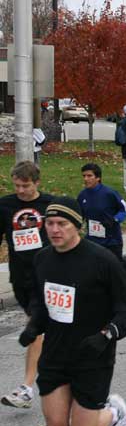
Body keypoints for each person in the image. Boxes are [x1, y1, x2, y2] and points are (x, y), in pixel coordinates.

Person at [17, 196, 126, 426]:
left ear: (77, 226)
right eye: (50, 223)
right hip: (56, 355)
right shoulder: (43, 259)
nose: (55, 229)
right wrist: (34, 326)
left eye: (62, 224)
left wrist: (108, 333)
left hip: (92, 357)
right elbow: (40, 300)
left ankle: (113, 413)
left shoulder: (102, 261)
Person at [0, 161, 53, 409]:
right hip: (19, 278)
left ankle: (26, 388)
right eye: (17, 185)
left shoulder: (50, 206)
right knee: (44, 330)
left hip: (46, 276)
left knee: (35, 326)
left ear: (37, 183)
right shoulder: (5, 205)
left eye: (26, 185)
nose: (21, 190)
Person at [77, 163, 126, 271]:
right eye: (84, 176)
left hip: (112, 240)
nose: (86, 179)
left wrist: (115, 219)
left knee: (116, 268)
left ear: (98, 178)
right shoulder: (82, 196)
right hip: (92, 239)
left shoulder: (109, 193)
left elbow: (125, 209)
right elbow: (79, 215)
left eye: (89, 176)